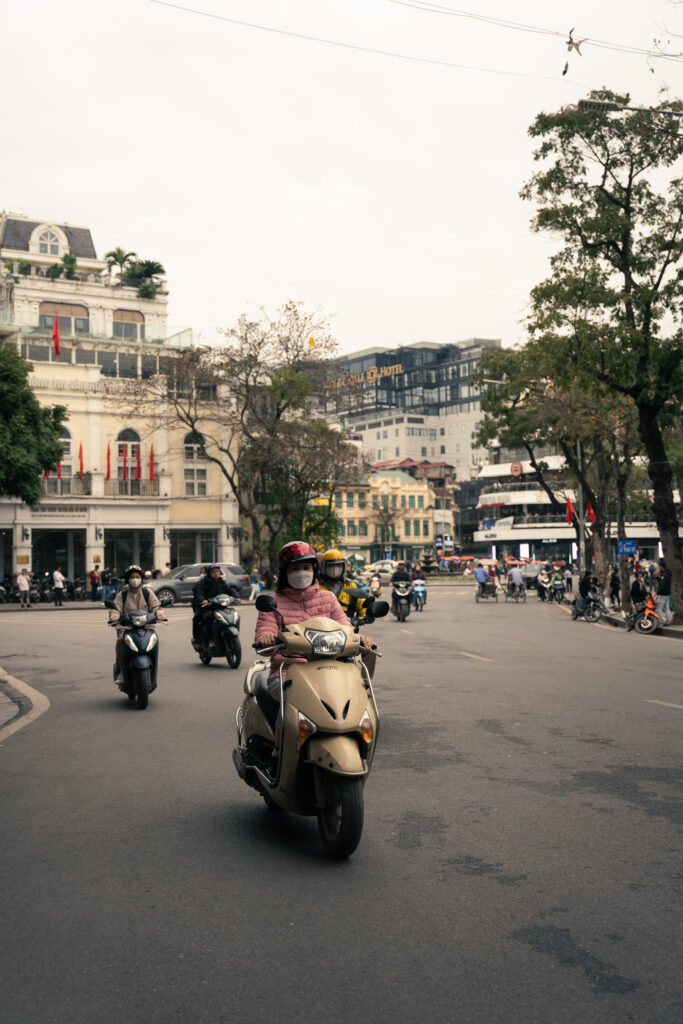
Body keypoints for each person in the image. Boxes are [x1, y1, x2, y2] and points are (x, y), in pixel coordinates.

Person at [254, 541, 373, 772]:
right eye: (295, 569)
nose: (302, 573)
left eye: (307, 568)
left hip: (330, 670)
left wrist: (360, 639)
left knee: (359, 696)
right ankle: (277, 757)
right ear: (285, 573)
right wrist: (267, 638)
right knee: (289, 707)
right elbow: (265, 632)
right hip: (287, 671)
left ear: (314, 571)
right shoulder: (273, 603)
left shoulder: (328, 599)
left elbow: (346, 628)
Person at [108, 565, 165, 684]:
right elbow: (115, 609)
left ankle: (153, 672)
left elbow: (156, 606)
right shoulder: (122, 595)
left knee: (154, 642)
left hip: (146, 627)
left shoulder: (147, 593)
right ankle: (121, 670)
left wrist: (159, 614)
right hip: (126, 628)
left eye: (137, 577)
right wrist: (114, 617)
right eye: (132, 577)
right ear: (128, 580)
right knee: (120, 641)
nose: (135, 579)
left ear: (141, 578)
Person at [193, 563, 241, 648]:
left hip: (220, 607)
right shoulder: (203, 583)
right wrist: (203, 600)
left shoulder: (222, 582)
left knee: (232, 615)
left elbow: (230, 590)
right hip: (207, 608)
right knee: (207, 617)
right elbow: (199, 593)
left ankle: (229, 635)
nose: (216, 573)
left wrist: (236, 597)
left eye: (218, 571)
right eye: (213, 572)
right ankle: (206, 639)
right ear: (208, 573)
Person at [655, 558, 672, 625]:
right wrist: (657, 578)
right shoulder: (666, 573)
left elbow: (663, 585)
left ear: (661, 566)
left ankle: (659, 620)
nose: (658, 567)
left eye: (658, 566)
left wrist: (658, 592)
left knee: (658, 608)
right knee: (666, 607)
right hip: (667, 593)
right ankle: (668, 620)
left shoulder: (665, 574)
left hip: (663, 593)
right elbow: (662, 582)